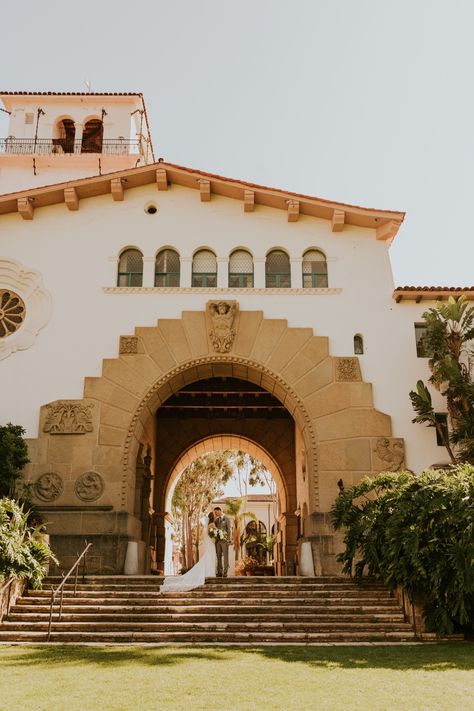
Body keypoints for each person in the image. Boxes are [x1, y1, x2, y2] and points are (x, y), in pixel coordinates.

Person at [159, 511, 216, 593]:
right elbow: (212, 534)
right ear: (212, 517)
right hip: (211, 543)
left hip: (209, 543)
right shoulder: (212, 525)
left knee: (208, 557)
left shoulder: (207, 525)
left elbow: (207, 534)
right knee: (210, 557)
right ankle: (209, 573)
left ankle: (208, 572)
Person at [212, 506, 232, 578]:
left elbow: (229, 529)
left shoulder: (226, 518)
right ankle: (219, 572)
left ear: (220, 510)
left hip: (224, 541)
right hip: (218, 542)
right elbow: (214, 528)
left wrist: (229, 540)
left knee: (225, 557)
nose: (215, 513)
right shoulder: (216, 520)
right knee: (219, 557)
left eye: (216, 512)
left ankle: (225, 572)